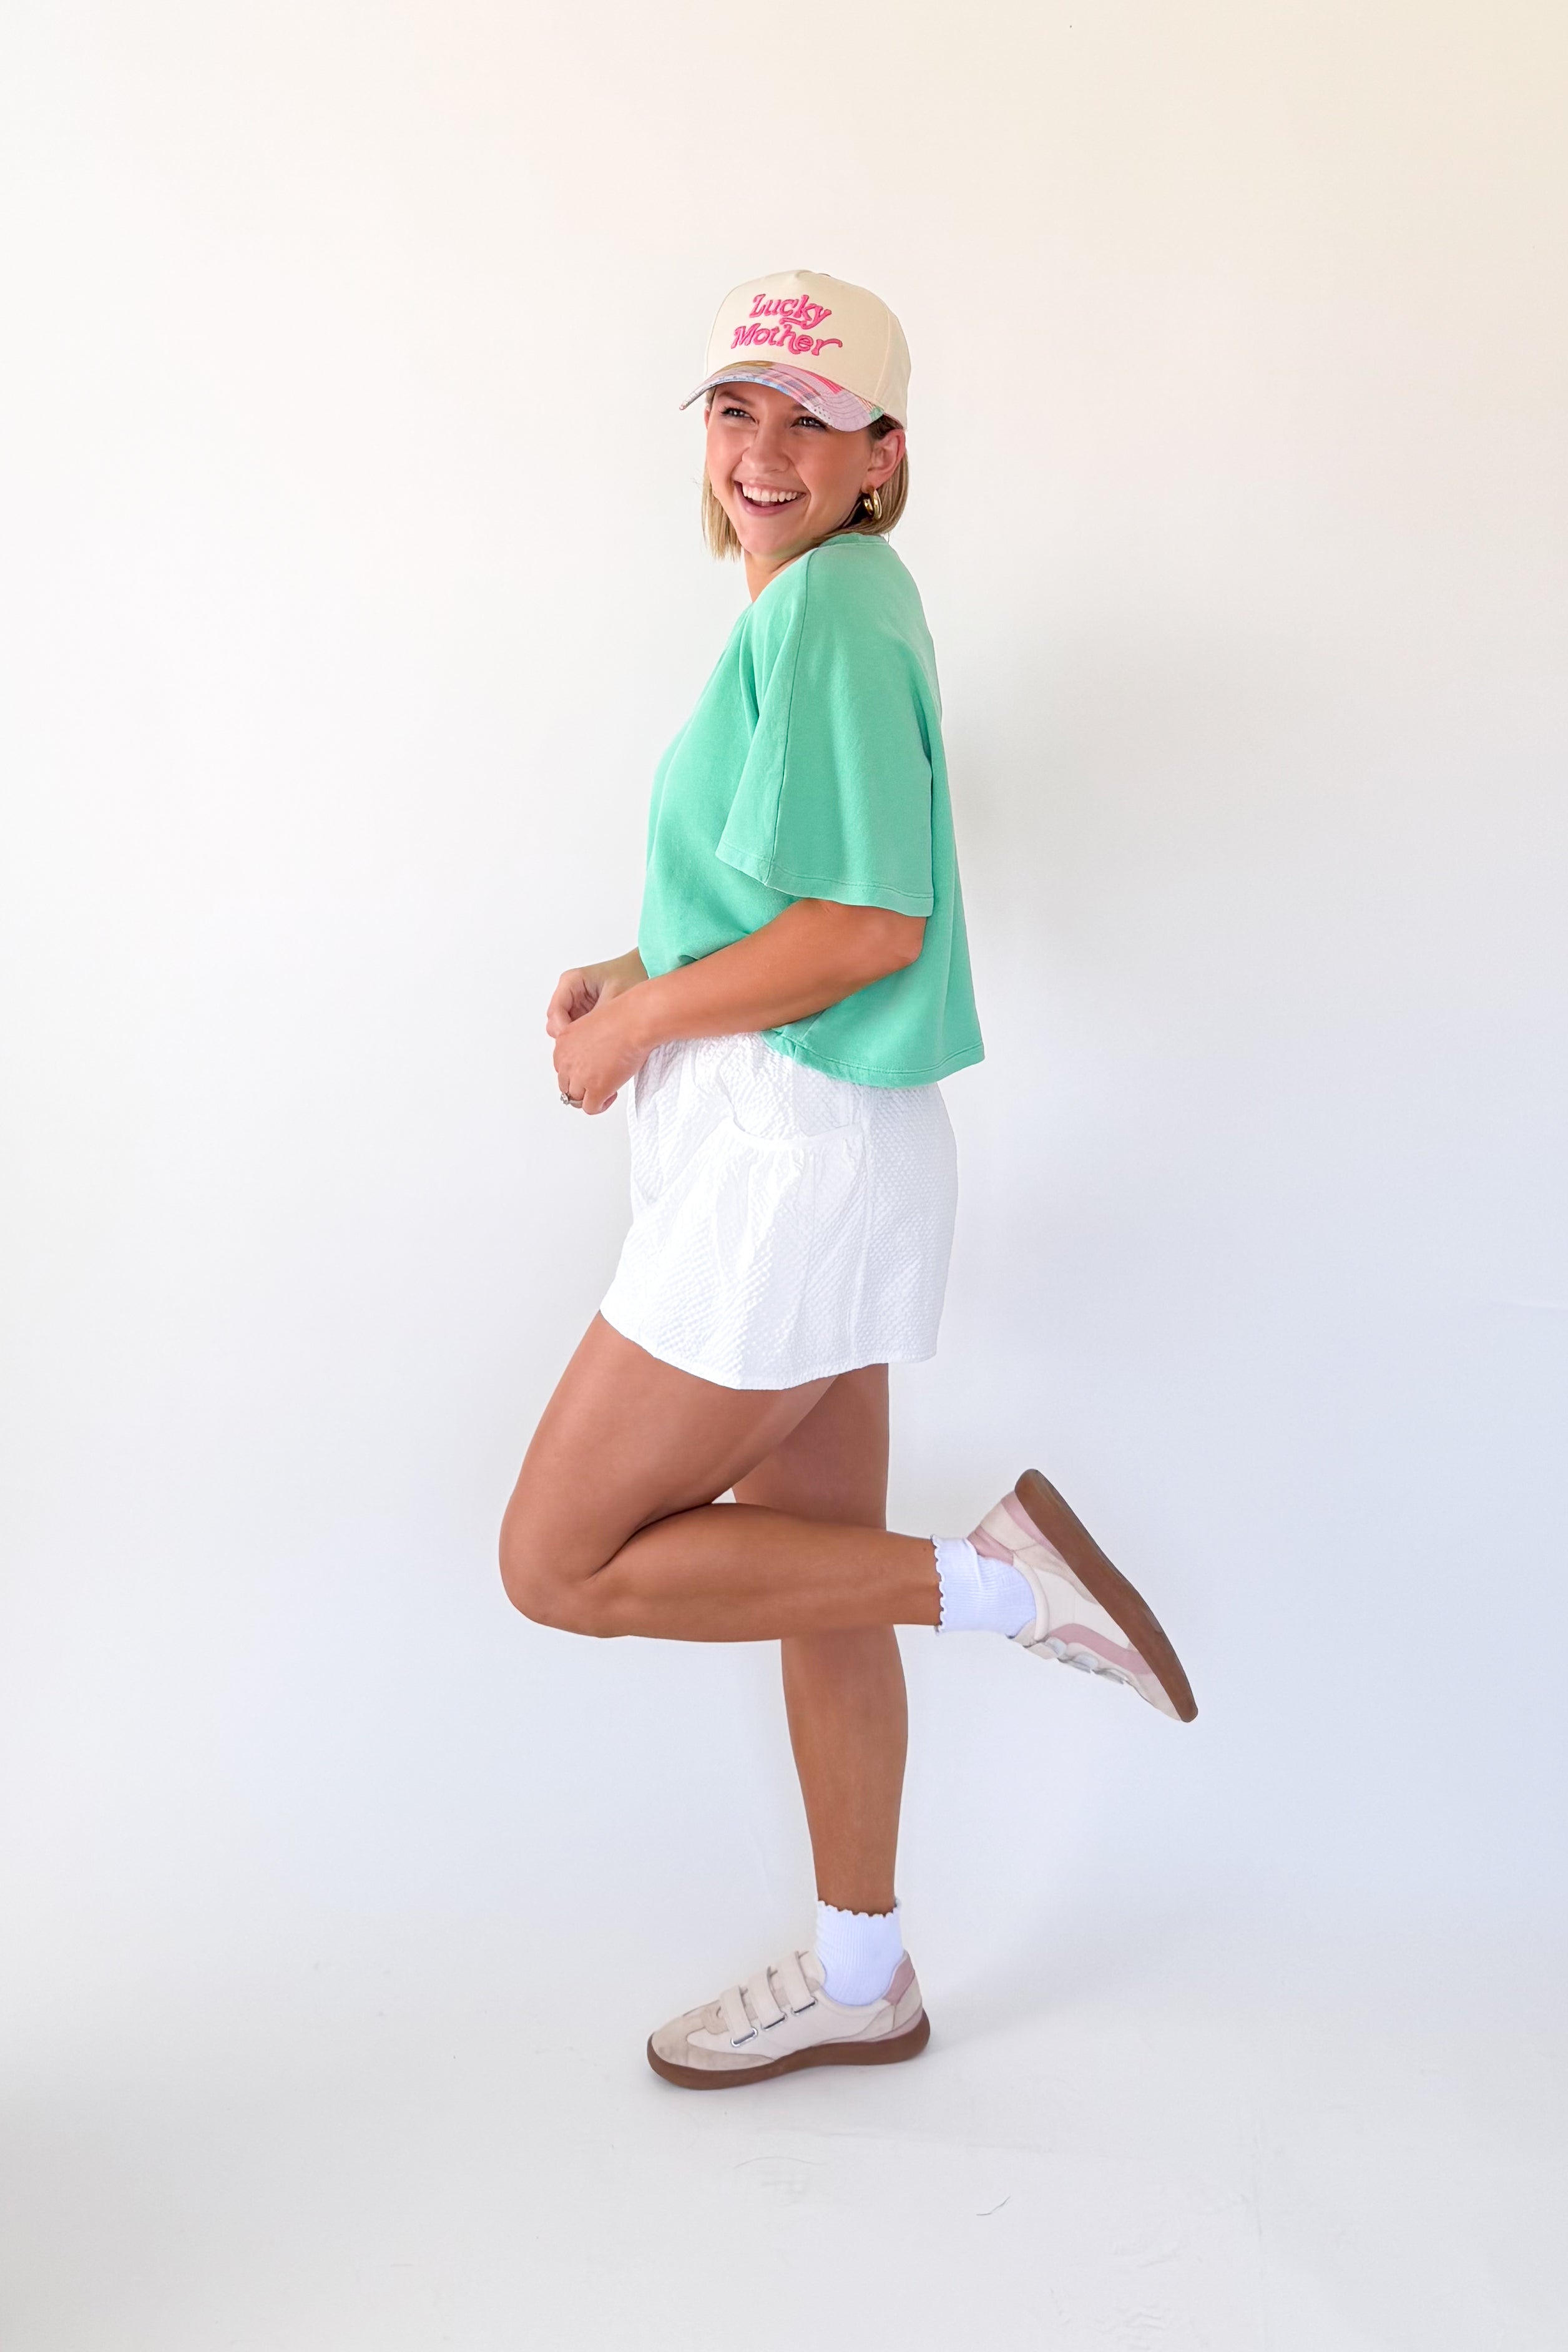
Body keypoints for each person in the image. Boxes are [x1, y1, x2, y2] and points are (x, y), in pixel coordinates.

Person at [499, 269, 1196, 2091]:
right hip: (822, 1149)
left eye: (811, 419)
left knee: (557, 1558)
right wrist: (642, 973)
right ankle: (864, 1976)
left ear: (885, 454)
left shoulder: (826, 611)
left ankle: (1004, 1587)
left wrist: (637, 1034)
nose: (765, 449)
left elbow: (870, 927)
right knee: (815, 1581)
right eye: (737, 410)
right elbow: (793, 903)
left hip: (786, 1161)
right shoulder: (828, 610)